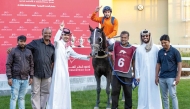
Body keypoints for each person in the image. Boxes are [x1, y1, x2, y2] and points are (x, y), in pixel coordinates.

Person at [46, 22, 91, 109]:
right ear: (62, 35)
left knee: (64, 90)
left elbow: (77, 55)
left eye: (68, 35)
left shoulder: (69, 47)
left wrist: (87, 57)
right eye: (65, 35)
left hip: (65, 72)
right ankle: (54, 107)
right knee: (56, 90)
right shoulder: (58, 44)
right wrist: (60, 29)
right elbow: (55, 39)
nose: (66, 37)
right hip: (57, 72)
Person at [7, 27, 55, 109]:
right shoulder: (35, 43)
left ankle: (42, 107)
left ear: (51, 34)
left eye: (49, 33)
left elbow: (53, 61)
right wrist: (13, 48)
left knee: (45, 93)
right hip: (36, 73)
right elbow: (23, 46)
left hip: (47, 74)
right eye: (46, 33)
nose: (47, 34)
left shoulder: (52, 47)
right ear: (42, 33)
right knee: (35, 93)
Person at [135, 30, 162, 109]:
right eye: (143, 36)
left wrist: (158, 74)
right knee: (143, 91)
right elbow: (137, 63)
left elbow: (159, 62)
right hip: (143, 74)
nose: (145, 37)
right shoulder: (139, 49)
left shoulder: (156, 48)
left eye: (147, 36)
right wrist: (137, 75)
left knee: (154, 90)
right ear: (141, 37)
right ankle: (143, 106)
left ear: (149, 36)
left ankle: (155, 106)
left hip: (154, 74)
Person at [108, 31, 136, 109]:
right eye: (122, 37)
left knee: (128, 94)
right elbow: (107, 48)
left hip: (127, 74)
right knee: (114, 93)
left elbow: (134, 61)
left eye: (125, 38)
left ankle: (128, 108)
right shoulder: (115, 45)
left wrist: (134, 72)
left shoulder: (133, 49)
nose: (123, 39)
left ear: (128, 38)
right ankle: (114, 107)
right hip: (116, 74)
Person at [6, 35, 34, 109]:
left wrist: (31, 77)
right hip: (15, 79)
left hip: (25, 79)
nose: (22, 43)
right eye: (21, 41)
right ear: (17, 42)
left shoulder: (29, 52)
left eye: (24, 41)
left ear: (26, 42)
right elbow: (8, 64)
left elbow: (31, 65)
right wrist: (9, 77)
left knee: (22, 97)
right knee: (14, 98)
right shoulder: (13, 51)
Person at [155, 34, 182, 109]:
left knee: (173, 95)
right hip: (162, 77)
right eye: (162, 43)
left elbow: (179, 64)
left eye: (165, 42)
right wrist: (156, 76)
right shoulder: (160, 52)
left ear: (169, 41)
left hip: (171, 77)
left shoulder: (175, 52)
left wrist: (178, 76)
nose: (163, 44)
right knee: (164, 97)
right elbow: (158, 64)